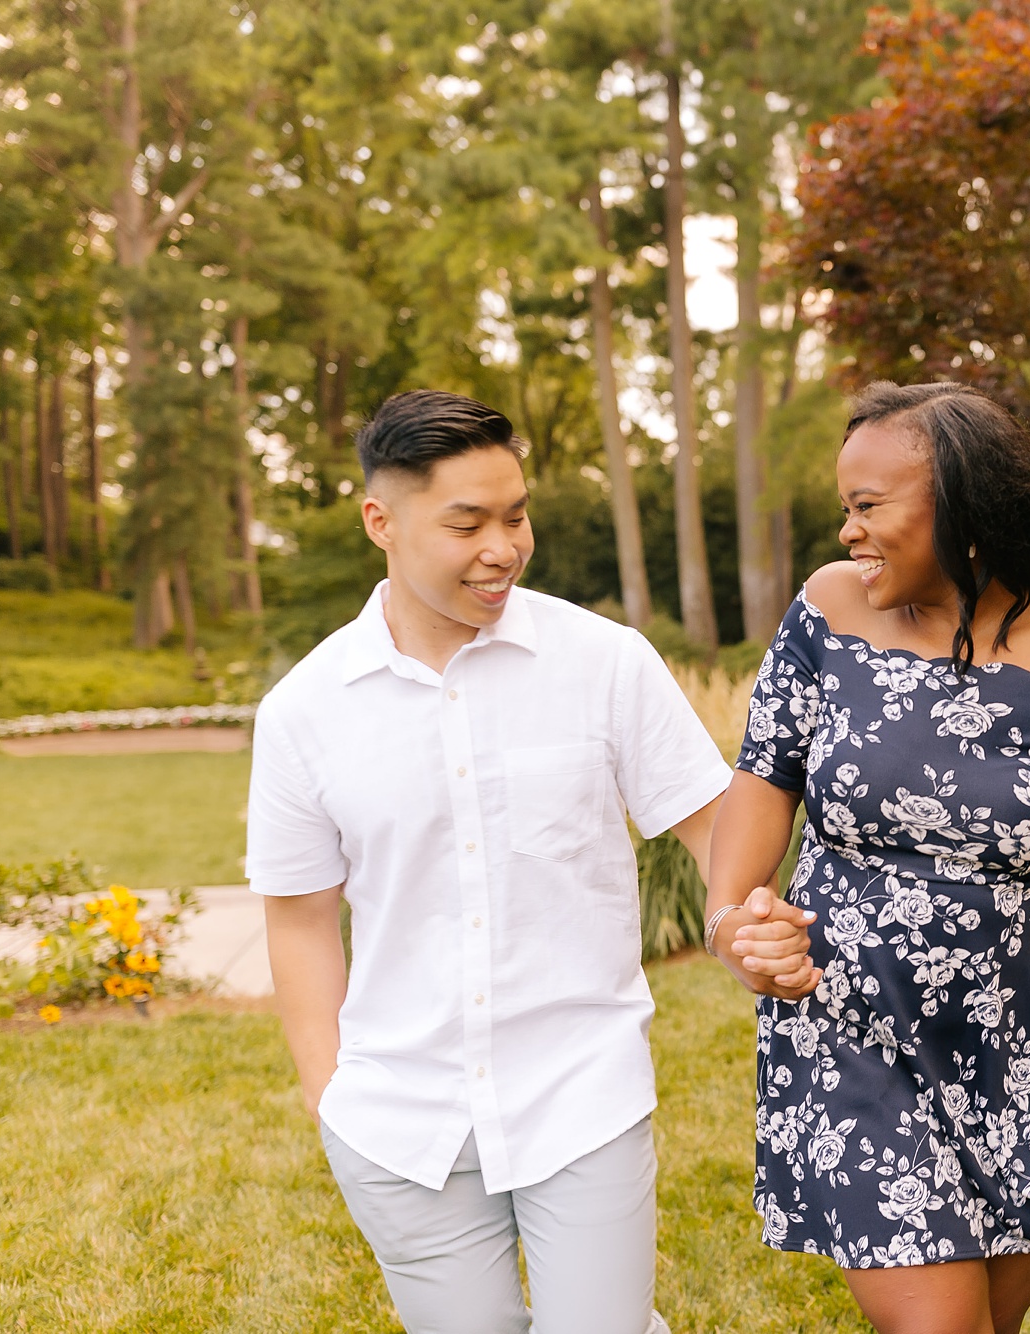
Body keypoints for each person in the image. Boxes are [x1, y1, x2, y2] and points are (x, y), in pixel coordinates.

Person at [248, 390, 743, 1334]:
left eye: (515, 517)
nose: (503, 547)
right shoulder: (304, 711)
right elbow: (299, 917)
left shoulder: (605, 662)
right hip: (401, 1120)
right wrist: (332, 1098)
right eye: (466, 522)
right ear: (379, 522)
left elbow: (717, 833)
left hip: (581, 1092)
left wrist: (748, 931)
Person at [706, 381, 1030, 1334]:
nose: (848, 532)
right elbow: (765, 778)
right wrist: (731, 922)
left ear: (961, 509)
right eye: (846, 507)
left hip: (1019, 1031)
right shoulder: (827, 611)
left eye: (869, 506)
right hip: (851, 1017)